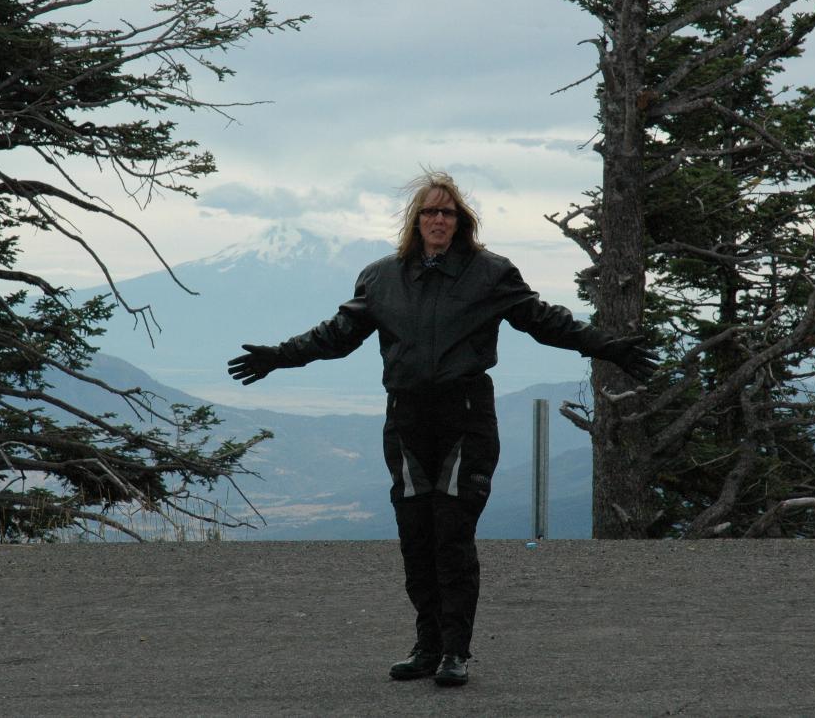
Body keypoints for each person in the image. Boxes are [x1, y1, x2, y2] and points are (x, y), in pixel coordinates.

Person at [227, 171, 657, 687]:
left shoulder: (490, 274)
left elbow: (544, 320)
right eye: (429, 211)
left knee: (451, 537)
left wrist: (607, 345)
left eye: (447, 212)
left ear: (461, 222)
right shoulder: (382, 277)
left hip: (466, 418)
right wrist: (280, 356)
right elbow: (337, 335)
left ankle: (456, 652)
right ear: (416, 220)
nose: (438, 219)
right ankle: (426, 647)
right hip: (406, 421)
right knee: (416, 539)